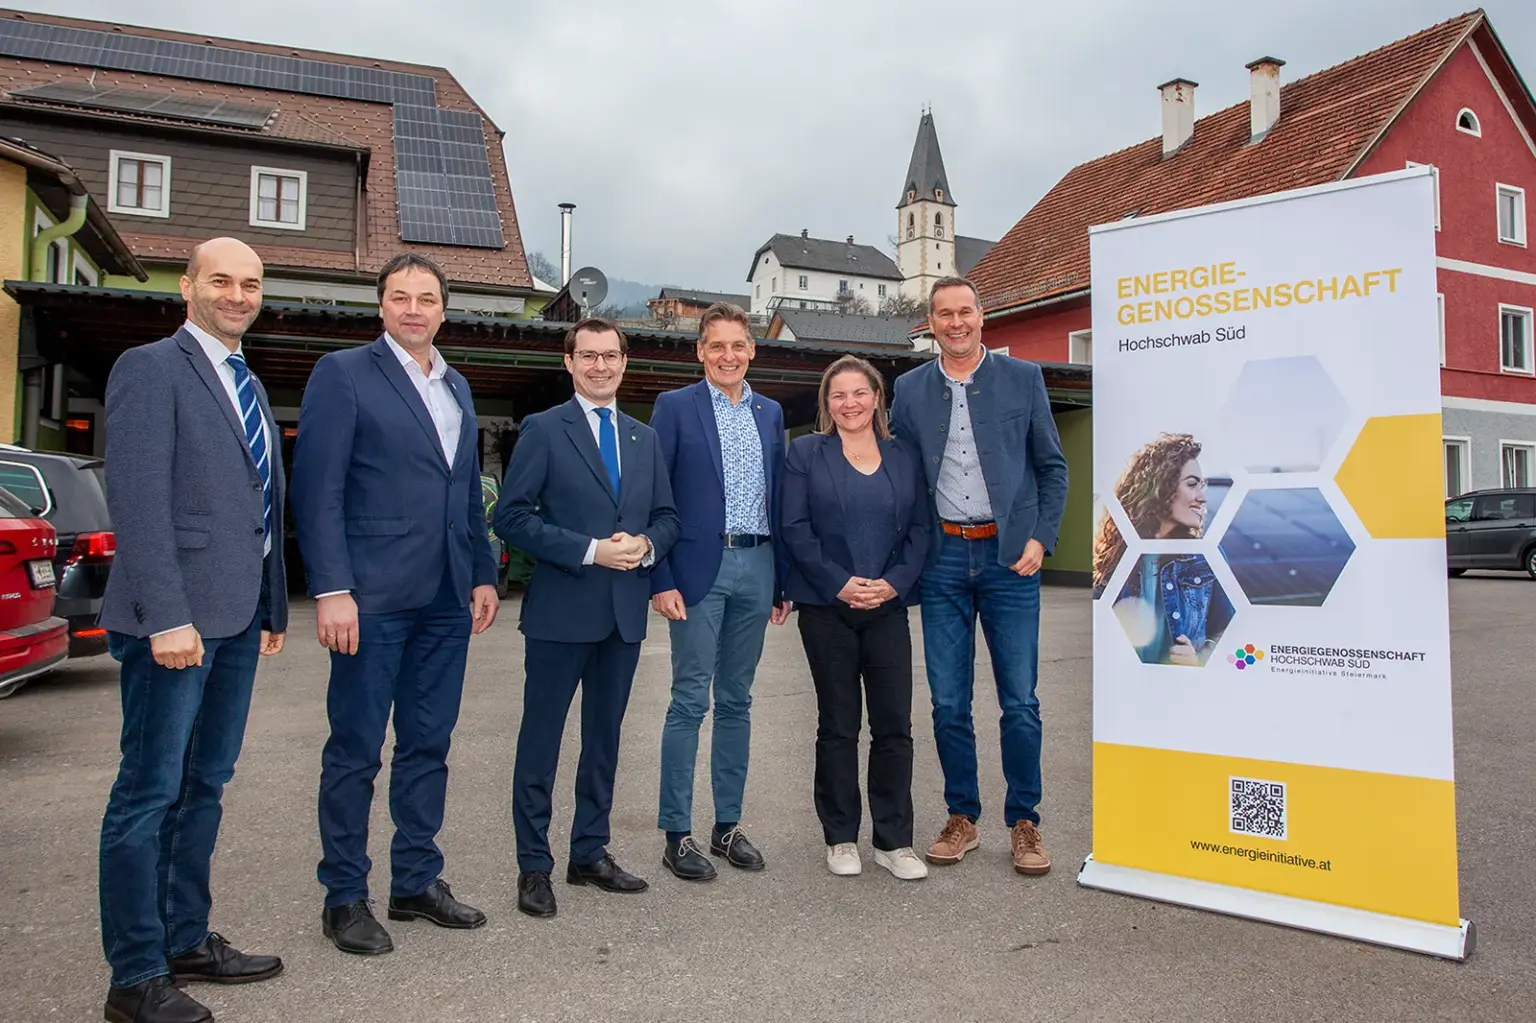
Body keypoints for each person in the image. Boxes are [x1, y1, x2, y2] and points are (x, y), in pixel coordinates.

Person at [97, 237, 288, 1023]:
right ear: (187, 285)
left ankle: (184, 937)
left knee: (203, 785)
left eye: (250, 283)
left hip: (237, 620)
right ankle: (135, 975)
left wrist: (273, 606)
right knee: (148, 793)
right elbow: (138, 504)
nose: (237, 294)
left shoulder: (246, 379)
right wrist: (166, 616)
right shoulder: (151, 367)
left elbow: (260, 507)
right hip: (174, 623)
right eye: (222, 279)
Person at [291, 252, 500, 956]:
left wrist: (481, 570)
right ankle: (344, 895)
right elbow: (316, 491)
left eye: (428, 298)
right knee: (355, 749)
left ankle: (415, 880)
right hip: (370, 599)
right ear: (380, 305)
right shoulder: (343, 374)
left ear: (445, 308)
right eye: (401, 296)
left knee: (428, 744)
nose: (415, 308)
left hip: (445, 598)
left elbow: (464, 488)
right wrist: (332, 588)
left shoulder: (458, 386)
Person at [496, 317, 680, 918]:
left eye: (611, 356)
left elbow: (668, 517)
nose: (601, 366)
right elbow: (514, 517)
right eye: (589, 357)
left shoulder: (643, 437)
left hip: (623, 617)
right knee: (542, 741)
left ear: (625, 363)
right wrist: (591, 549)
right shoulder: (545, 430)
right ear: (569, 363)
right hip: (560, 613)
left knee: (603, 741)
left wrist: (645, 546)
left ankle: (589, 852)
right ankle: (533, 867)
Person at [889, 276, 1068, 877]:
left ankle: (1025, 821)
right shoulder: (909, 390)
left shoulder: (1023, 379)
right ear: (931, 322)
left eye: (965, 311)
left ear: (982, 317)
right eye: (944, 314)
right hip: (942, 559)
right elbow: (899, 479)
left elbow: (1051, 467)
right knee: (947, 702)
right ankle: (961, 816)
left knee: (1019, 699)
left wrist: (1042, 536)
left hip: (1009, 559)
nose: (956, 322)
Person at [648, 302, 789, 882]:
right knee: (689, 701)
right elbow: (654, 497)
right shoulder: (675, 408)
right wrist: (660, 577)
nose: (727, 356)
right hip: (698, 569)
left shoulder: (771, 411)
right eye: (716, 346)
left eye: (738, 345)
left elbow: (780, 497)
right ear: (700, 352)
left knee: (738, 700)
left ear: (752, 350)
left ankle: (727, 826)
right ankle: (676, 835)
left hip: (758, 565)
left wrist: (783, 581)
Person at [783, 356, 932, 880]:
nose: (850, 403)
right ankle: (841, 836)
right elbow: (795, 528)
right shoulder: (805, 453)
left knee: (894, 725)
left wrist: (893, 583)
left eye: (859, 393)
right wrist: (839, 583)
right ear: (827, 404)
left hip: (888, 608)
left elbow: (920, 529)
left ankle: (895, 842)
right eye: (838, 395)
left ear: (877, 398)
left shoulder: (904, 455)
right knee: (839, 724)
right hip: (828, 610)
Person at [1093, 433, 1230, 666]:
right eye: (1192, 484)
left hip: (1181, 689)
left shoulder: (1206, 558)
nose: (1202, 497)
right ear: (1160, 487)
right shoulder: (1112, 556)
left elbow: (1229, 633)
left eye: (1202, 485)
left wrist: (1200, 659)